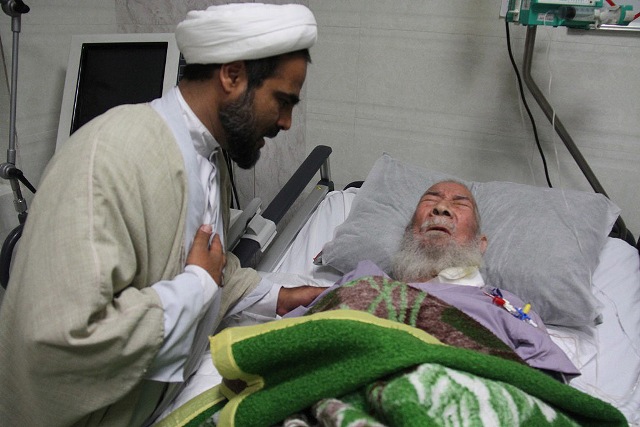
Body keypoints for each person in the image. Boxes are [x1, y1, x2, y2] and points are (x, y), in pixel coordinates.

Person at [0, 3, 325, 426]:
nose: (286, 122)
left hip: (160, 402)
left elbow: (204, 265)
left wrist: (279, 297)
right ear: (232, 76)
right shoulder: (111, 156)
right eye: (282, 101)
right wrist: (196, 285)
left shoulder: (207, 157)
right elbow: (60, 338)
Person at [290, 180, 580, 380]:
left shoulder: (503, 305)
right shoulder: (364, 280)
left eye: (460, 203)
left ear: (480, 244)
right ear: (408, 233)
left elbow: (546, 382)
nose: (441, 208)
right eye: (431, 199)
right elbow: (290, 338)